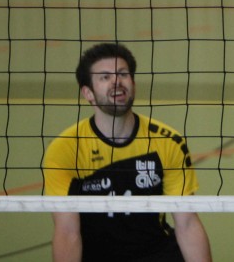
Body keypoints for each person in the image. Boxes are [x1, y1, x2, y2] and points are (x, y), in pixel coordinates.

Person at [43, 42, 212, 262]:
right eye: (105, 77)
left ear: (133, 84)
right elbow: (68, 233)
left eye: (123, 74)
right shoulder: (65, 149)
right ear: (88, 93)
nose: (116, 81)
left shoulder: (167, 141)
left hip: (157, 253)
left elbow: (187, 223)